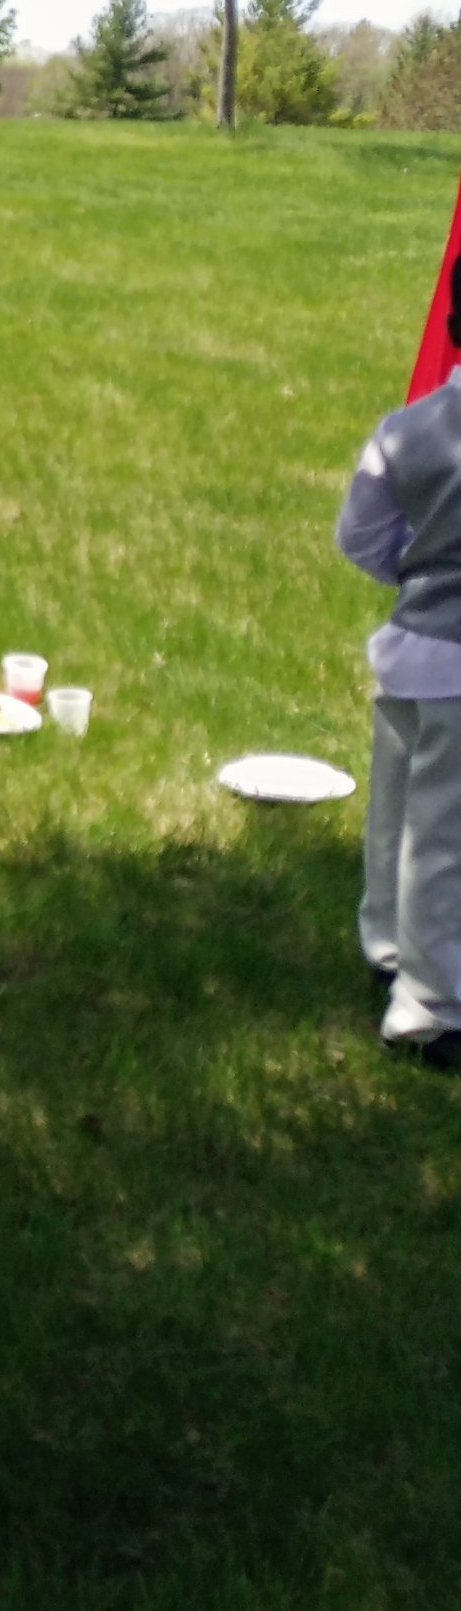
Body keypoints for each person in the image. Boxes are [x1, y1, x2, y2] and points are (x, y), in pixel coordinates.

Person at [339, 285, 461, 1070]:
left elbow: (360, 537)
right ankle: (429, 1010)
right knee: (446, 838)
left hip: (411, 647)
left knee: (395, 817)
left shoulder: (408, 428)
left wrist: (417, 577)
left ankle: (386, 949)